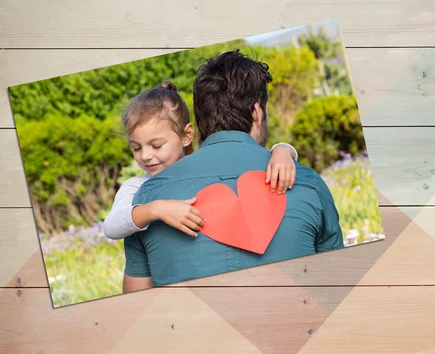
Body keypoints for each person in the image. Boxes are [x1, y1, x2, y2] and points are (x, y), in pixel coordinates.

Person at [123, 50, 344, 293]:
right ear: (256, 112)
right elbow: (336, 286)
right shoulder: (307, 183)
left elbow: (135, 303)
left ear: (198, 121)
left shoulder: (146, 200)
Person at [103, 80, 299, 240]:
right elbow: (111, 227)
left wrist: (282, 150)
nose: (144, 155)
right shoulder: (136, 186)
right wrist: (157, 209)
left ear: (186, 135)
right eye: (136, 147)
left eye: (156, 146)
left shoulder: (206, 167)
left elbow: (244, 159)